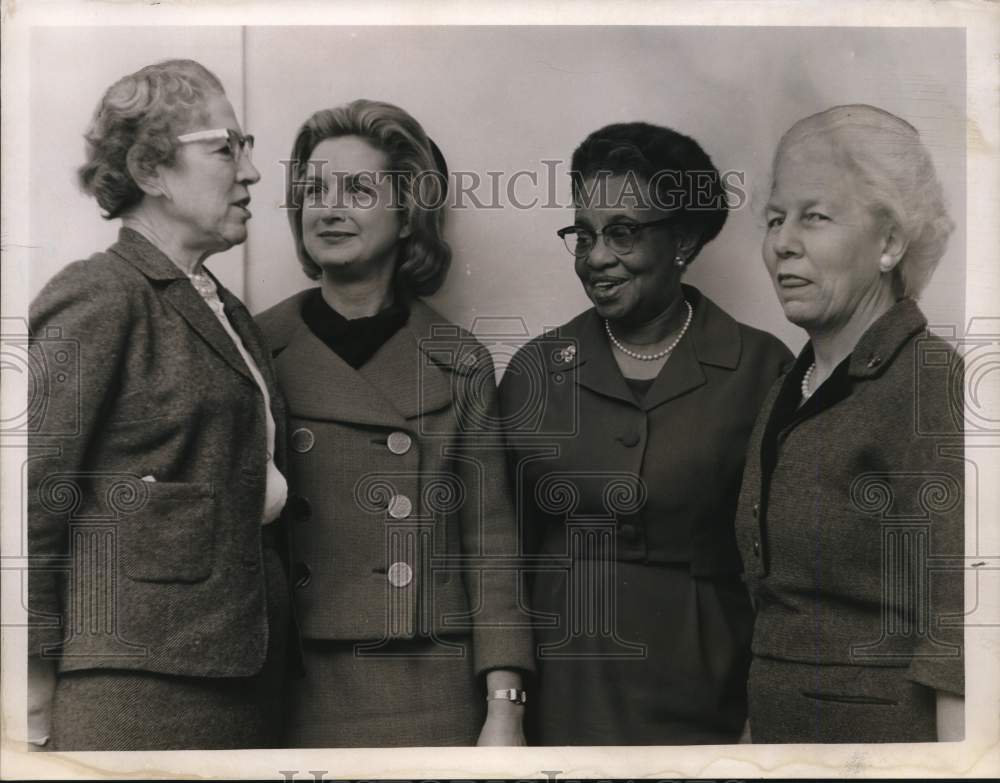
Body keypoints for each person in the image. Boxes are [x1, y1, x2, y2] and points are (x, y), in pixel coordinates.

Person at [26, 59, 295, 750]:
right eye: (226, 148)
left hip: (241, 682)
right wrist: (27, 678)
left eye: (248, 147)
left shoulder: (228, 313)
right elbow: (25, 497)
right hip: (135, 691)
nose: (253, 172)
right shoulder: (101, 294)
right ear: (150, 169)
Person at [498, 122, 792, 744]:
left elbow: (782, 566)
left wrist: (762, 715)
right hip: (565, 692)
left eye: (623, 233)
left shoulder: (763, 368)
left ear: (682, 240)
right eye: (584, 234)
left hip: (711, 690)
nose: (597, 256)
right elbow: (501, 560)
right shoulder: (534, 372)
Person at [256, 99, 533, 748]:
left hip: (430, 682)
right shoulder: (257, 346)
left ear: (409, 213)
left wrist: (506, 706)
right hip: (293, 680)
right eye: (314, 190)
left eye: (357, 189)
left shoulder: (458, 358)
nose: (328, 207)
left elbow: (491, 546)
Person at [735, 104, 965, 742]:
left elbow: (959, 632)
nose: (783, 241)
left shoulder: (929, 385)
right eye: (775, 218)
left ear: (890, 243)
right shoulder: (791, 384)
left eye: (815, 216)